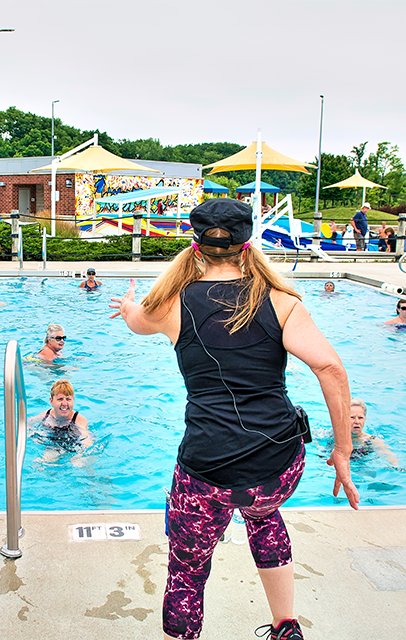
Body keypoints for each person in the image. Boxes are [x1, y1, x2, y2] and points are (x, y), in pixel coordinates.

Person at [109, 198, 359, 640]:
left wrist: (130, 306)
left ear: (196, 244)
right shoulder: (282, 302)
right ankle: (287, 627)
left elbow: (135, 321)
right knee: (263, 514)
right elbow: (332, 369)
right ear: (247, 245)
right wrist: (342, 450)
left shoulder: (170, 304)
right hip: (278, 467)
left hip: (206, 471)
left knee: (187, 570)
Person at [28, 380, 93, 451]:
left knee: (78, 461)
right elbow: (27, 424)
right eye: (60, 399)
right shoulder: (45, 416)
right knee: (44, 459)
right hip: (52, 444)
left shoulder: (79, 420)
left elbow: (87, 441)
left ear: (73, 401)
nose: (64, 403)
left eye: (68, 399)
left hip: (73, 444)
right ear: (51, 401)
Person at [350, 398, 399, 466]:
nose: (357, 422)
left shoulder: (371, 441)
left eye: (360, 418)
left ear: (365, 419)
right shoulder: (334, 436)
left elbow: (390, 457)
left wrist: (395, 467)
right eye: (352, 417)